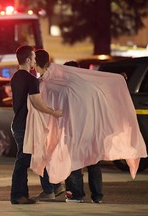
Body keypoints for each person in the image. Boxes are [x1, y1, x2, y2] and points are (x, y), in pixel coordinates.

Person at [10, 45, 63, 205]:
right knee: (23, 160)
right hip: (26, 126)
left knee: (31, 157)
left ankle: (32, 192)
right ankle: (18, 195)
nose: (34, 60)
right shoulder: (30, 79)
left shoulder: (16, 77)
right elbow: (36, 103)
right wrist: (53, 112)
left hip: (18, 123)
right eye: (33, 57)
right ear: (27, 59)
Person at [63, 60, 103, 204]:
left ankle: (76, 194)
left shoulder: (67, 88)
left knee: (74, 163)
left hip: (75, 130)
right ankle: (97, 196)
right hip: (92, 130)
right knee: (94, 164)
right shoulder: (92, 87)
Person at [34, 49, 66, 201]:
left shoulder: (43, 82)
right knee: (51, 155)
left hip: (46, 122)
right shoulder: (57, 80)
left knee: (44, 156)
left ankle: (49, 190)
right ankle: (56, 185)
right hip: (56, 122)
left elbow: (40, 104)